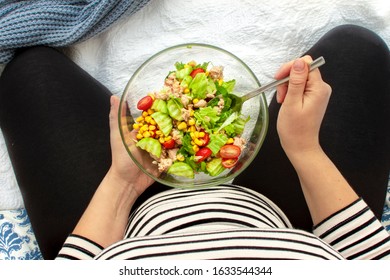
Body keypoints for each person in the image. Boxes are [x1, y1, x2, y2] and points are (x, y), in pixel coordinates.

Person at [0, 25, 389, 260]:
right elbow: (366, 256)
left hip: (128, 223)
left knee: (30, 72)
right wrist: (304, 149)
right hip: (279, 217)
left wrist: (122, 182)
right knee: (358, 49)